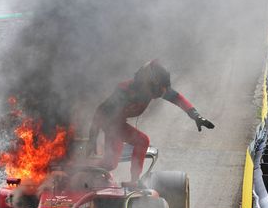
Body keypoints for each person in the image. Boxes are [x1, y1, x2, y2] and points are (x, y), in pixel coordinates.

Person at [87, 60, 215, 185]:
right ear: (146, 83)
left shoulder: (156, 88)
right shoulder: (124, 91)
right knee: (133, 147)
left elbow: (178, 99)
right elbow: (101, 111)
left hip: (118, 123)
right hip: (110, 122)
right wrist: (92, 136)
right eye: (158, 90)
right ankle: (84, 171)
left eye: (162, 90)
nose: (161, 94)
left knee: (113, 162)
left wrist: (196, 117)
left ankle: (91, 174)